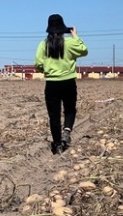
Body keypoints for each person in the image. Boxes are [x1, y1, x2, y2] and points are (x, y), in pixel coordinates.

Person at [34, 14, 88, 153]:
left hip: (51, 84)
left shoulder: (43, 44)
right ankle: (67, 131)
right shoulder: (70, 43)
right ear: (63, 28)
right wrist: (75, 36)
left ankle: (57, 144)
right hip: (68, 82)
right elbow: (84, 50)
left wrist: (46, 69)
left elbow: (38, 64)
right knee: (70, 109)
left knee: (54, 115)